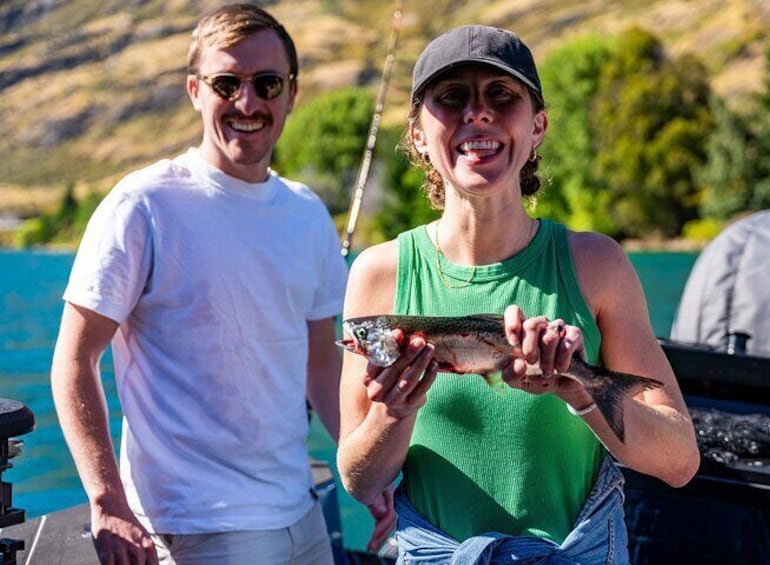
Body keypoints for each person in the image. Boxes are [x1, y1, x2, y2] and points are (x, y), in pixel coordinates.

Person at [336, 24, 700, 563]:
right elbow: (359, 481)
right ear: (416, 134)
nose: (477, 113)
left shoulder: (596, 264)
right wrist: (394, 412)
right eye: (452, 97)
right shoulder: (377, 273)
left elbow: (678, 460)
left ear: (538, 127)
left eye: (501, 96)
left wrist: (577, 389)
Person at [50, 4, 393, 564]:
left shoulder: (307, 215)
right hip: (196, 527)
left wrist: (367, 467)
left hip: (301, 514)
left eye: (267, 83)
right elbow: (73, 360)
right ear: (194, 90)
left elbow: (321, 364)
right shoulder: (142, 205)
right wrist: (107, 499)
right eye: (226, 83)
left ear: (292, 93)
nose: (248, 102)